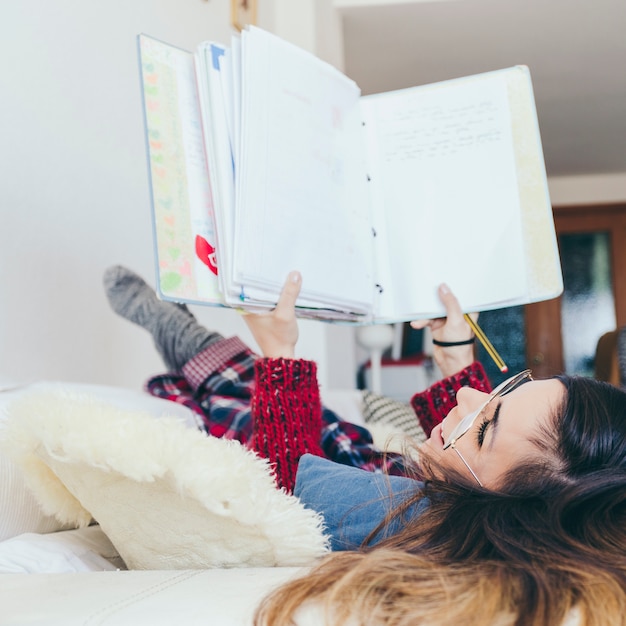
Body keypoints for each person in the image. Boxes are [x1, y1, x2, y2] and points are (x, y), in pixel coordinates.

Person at [104, 266, 626, 626]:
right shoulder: (484, 505)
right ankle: (185, 337)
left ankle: (176, 330)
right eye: (504, 389)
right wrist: (454, 362)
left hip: (289, 443)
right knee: (287, 401)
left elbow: (281, 498)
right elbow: (467, 455)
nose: (471, 393)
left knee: (234, 383)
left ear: (509, 512)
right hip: (349, 446)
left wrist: (280, 351)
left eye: (485, 425)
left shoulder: (409, 523)